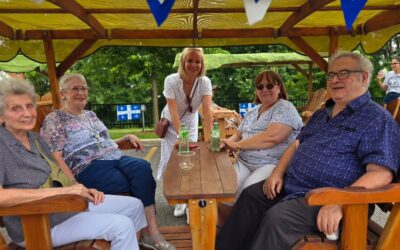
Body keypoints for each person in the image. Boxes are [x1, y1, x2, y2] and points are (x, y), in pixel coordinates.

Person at [216, 51, 400, 250]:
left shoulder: (376, 119)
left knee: (278, 218)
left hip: (331, 197)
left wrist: (341, 202)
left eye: (343, 73)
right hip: (293, 187)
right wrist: (277, 173)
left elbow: (381, 173)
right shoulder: (322, 114)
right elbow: (297, 144)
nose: (335, 80)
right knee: (252, 195)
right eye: (331, 75)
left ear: (364, 77)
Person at [0, 78, 147, 250]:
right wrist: (65, 191)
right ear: (2, 115)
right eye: (16, 108)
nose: (27, 113)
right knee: (121, 226)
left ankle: (130, 245)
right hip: (35, 223)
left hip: (62, 208)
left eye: (29, 106)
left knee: (134, 206)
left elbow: (58, 173)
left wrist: (82, 189)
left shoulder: (35, 139)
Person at [40, 73, 174, 250]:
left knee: (143, 167)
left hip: (113, 156)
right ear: (63, 93)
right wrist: (73, 184)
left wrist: (126, 137)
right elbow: (55, 156)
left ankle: (151, 232)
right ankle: (137, 236)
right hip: (86, 166)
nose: (81, 92)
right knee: (128, 182)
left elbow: (104, 142)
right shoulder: (55, 119)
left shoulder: (90, 115)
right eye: (75, 88)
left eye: (83, 88)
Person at [221, 70, 302, 196]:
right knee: (226, 188)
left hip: (270, 164)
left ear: (279, 87)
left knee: (246, 193)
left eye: (269, 85)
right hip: (243, 162)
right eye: (260, 86)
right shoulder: (252, 112)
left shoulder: (285, 107)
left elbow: (272, 137)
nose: (264, 89)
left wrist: (237, 145)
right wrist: (226, 143)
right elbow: (238, 135)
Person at [157, 47, 213, 218]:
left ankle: (189, 202)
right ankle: (178, 201)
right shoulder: (170, 80)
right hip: (172, 123)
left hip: (190, 121)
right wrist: (182, 138)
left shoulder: (204, 82)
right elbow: (173, 112)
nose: (193, 64)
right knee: (172, 160)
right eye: (190, 60)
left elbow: (207, 111)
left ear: (202, 64)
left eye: (197, 61)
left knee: (190, 161)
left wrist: (209, 140)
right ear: (183, 62)